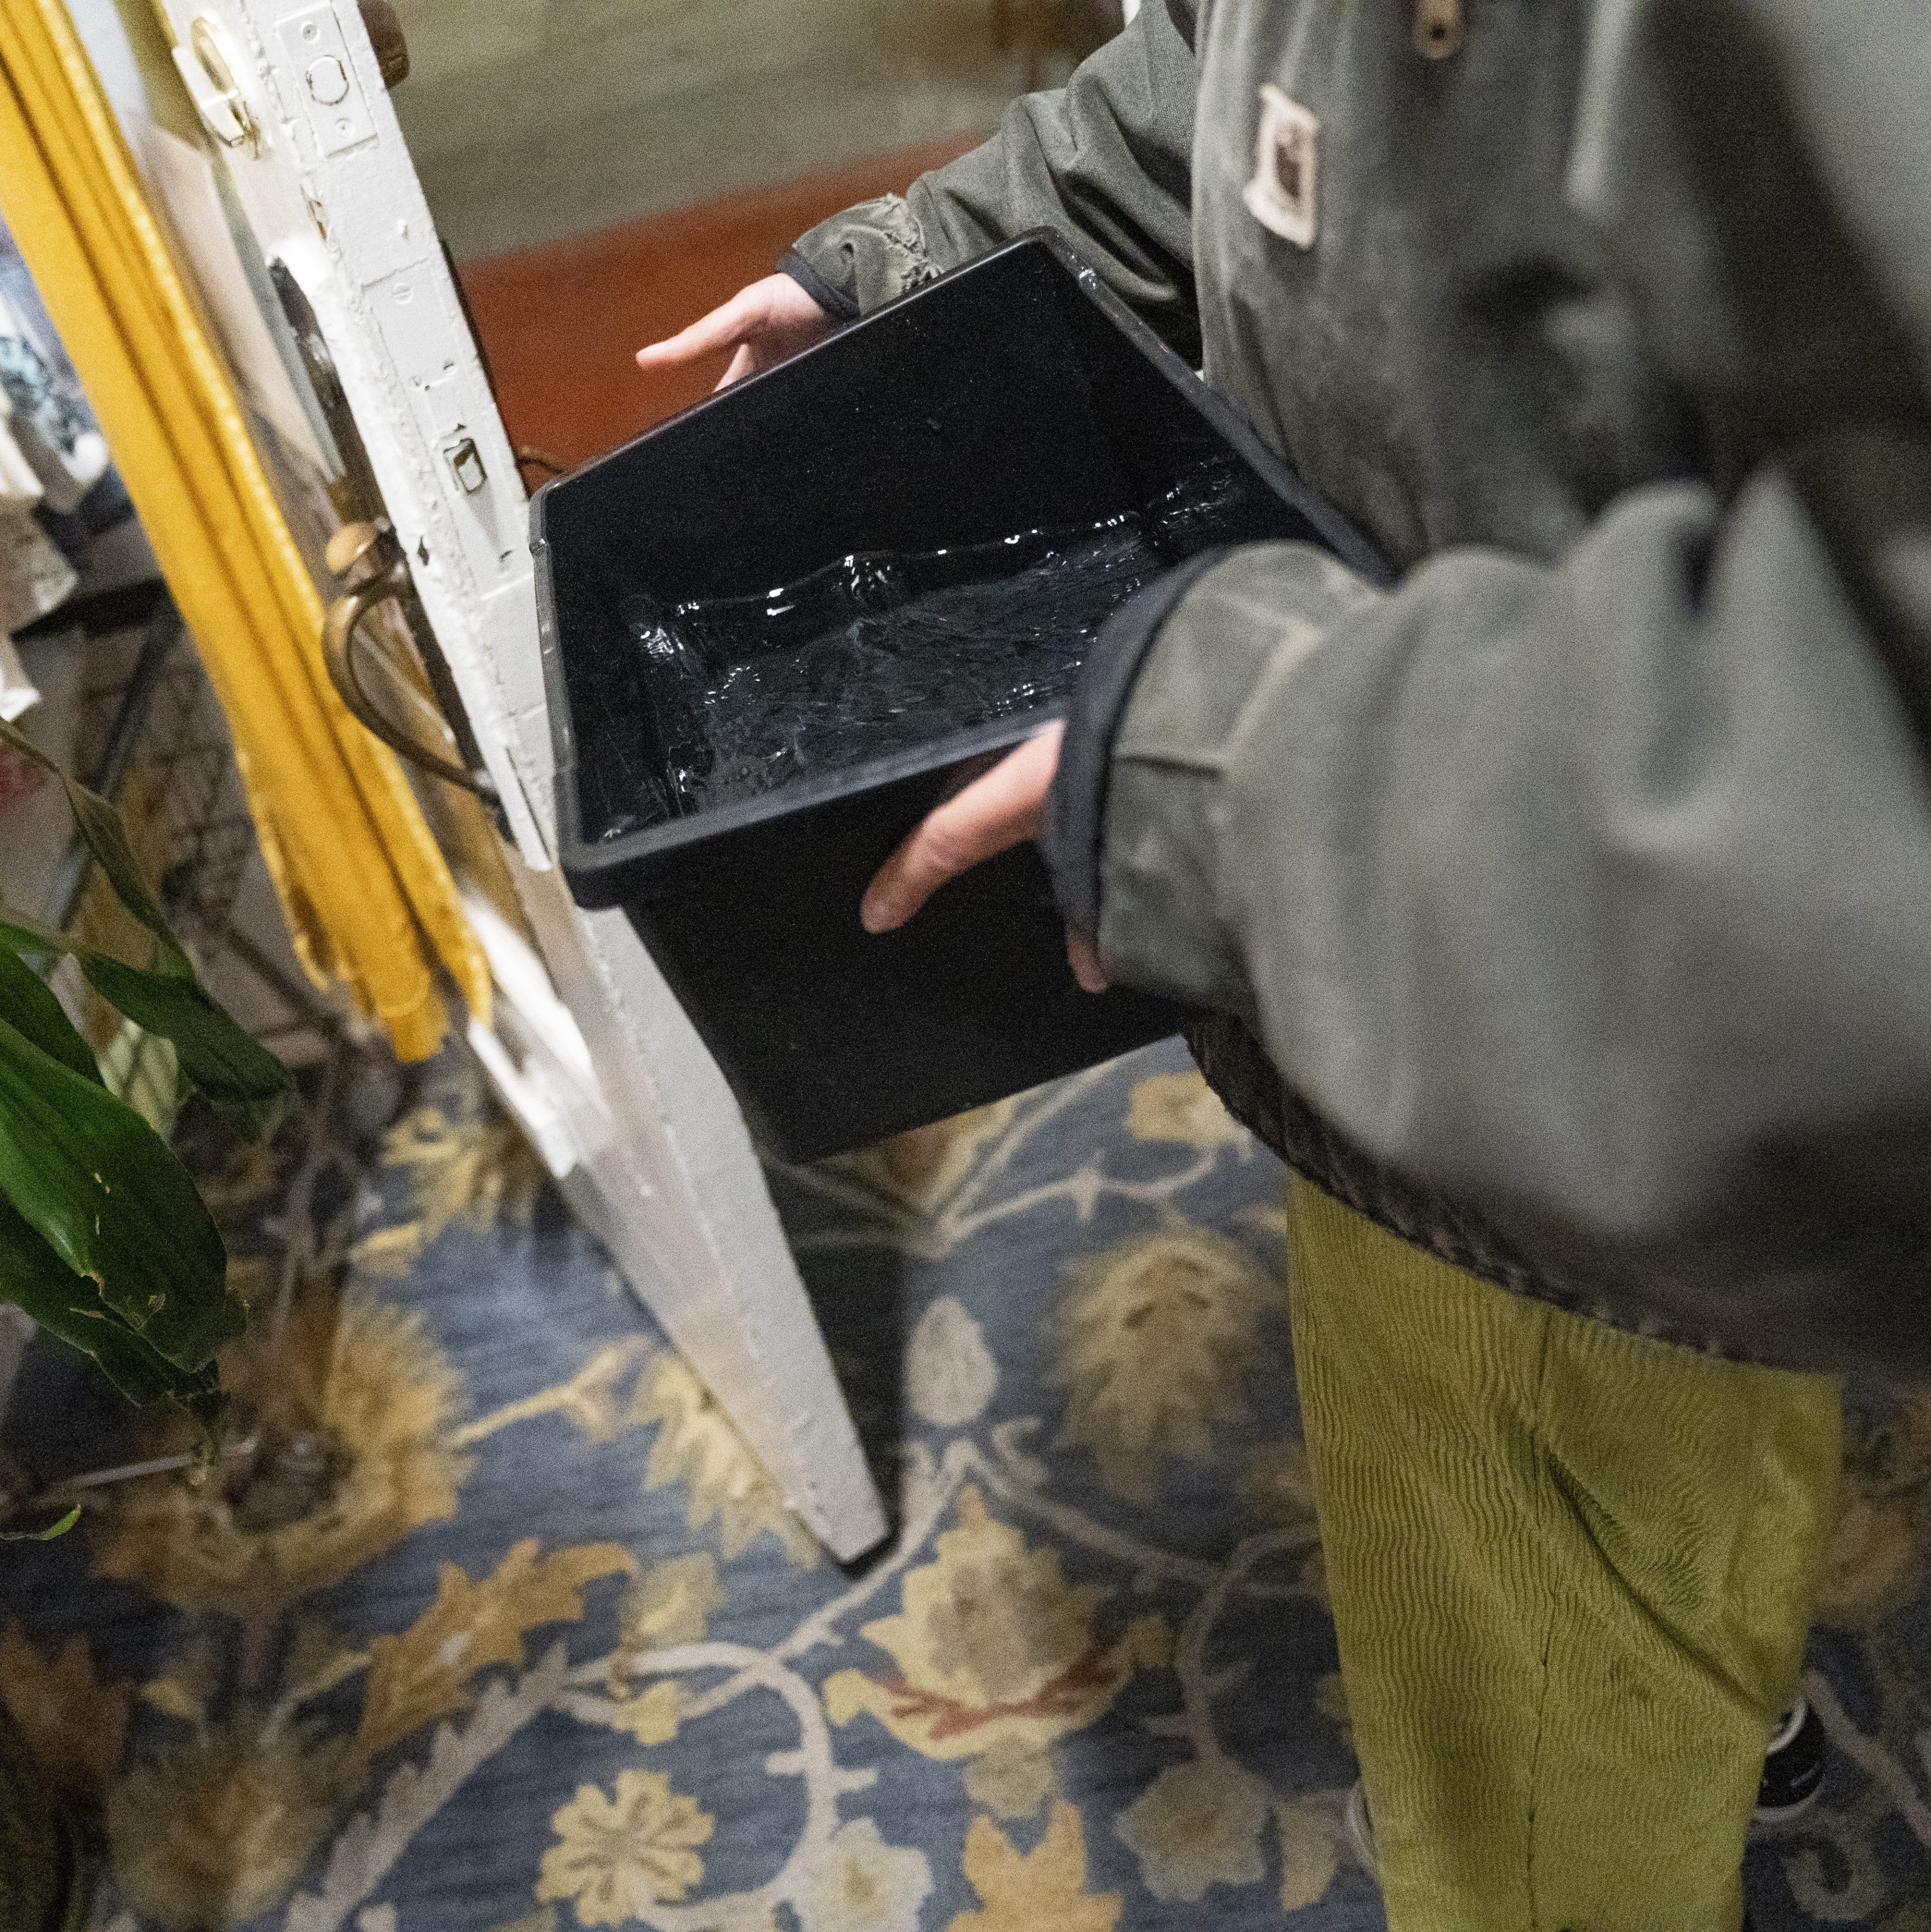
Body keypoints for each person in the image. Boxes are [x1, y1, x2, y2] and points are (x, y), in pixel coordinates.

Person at [638, 2, 1931, 1924]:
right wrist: (948, 254)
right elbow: (1267, 65)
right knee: (1661, 1460)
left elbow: (1865, 843)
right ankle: (1704, 1663)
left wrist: (1228, 775)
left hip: (1553, 997)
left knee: (1528, 1645)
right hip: (1463, 912)